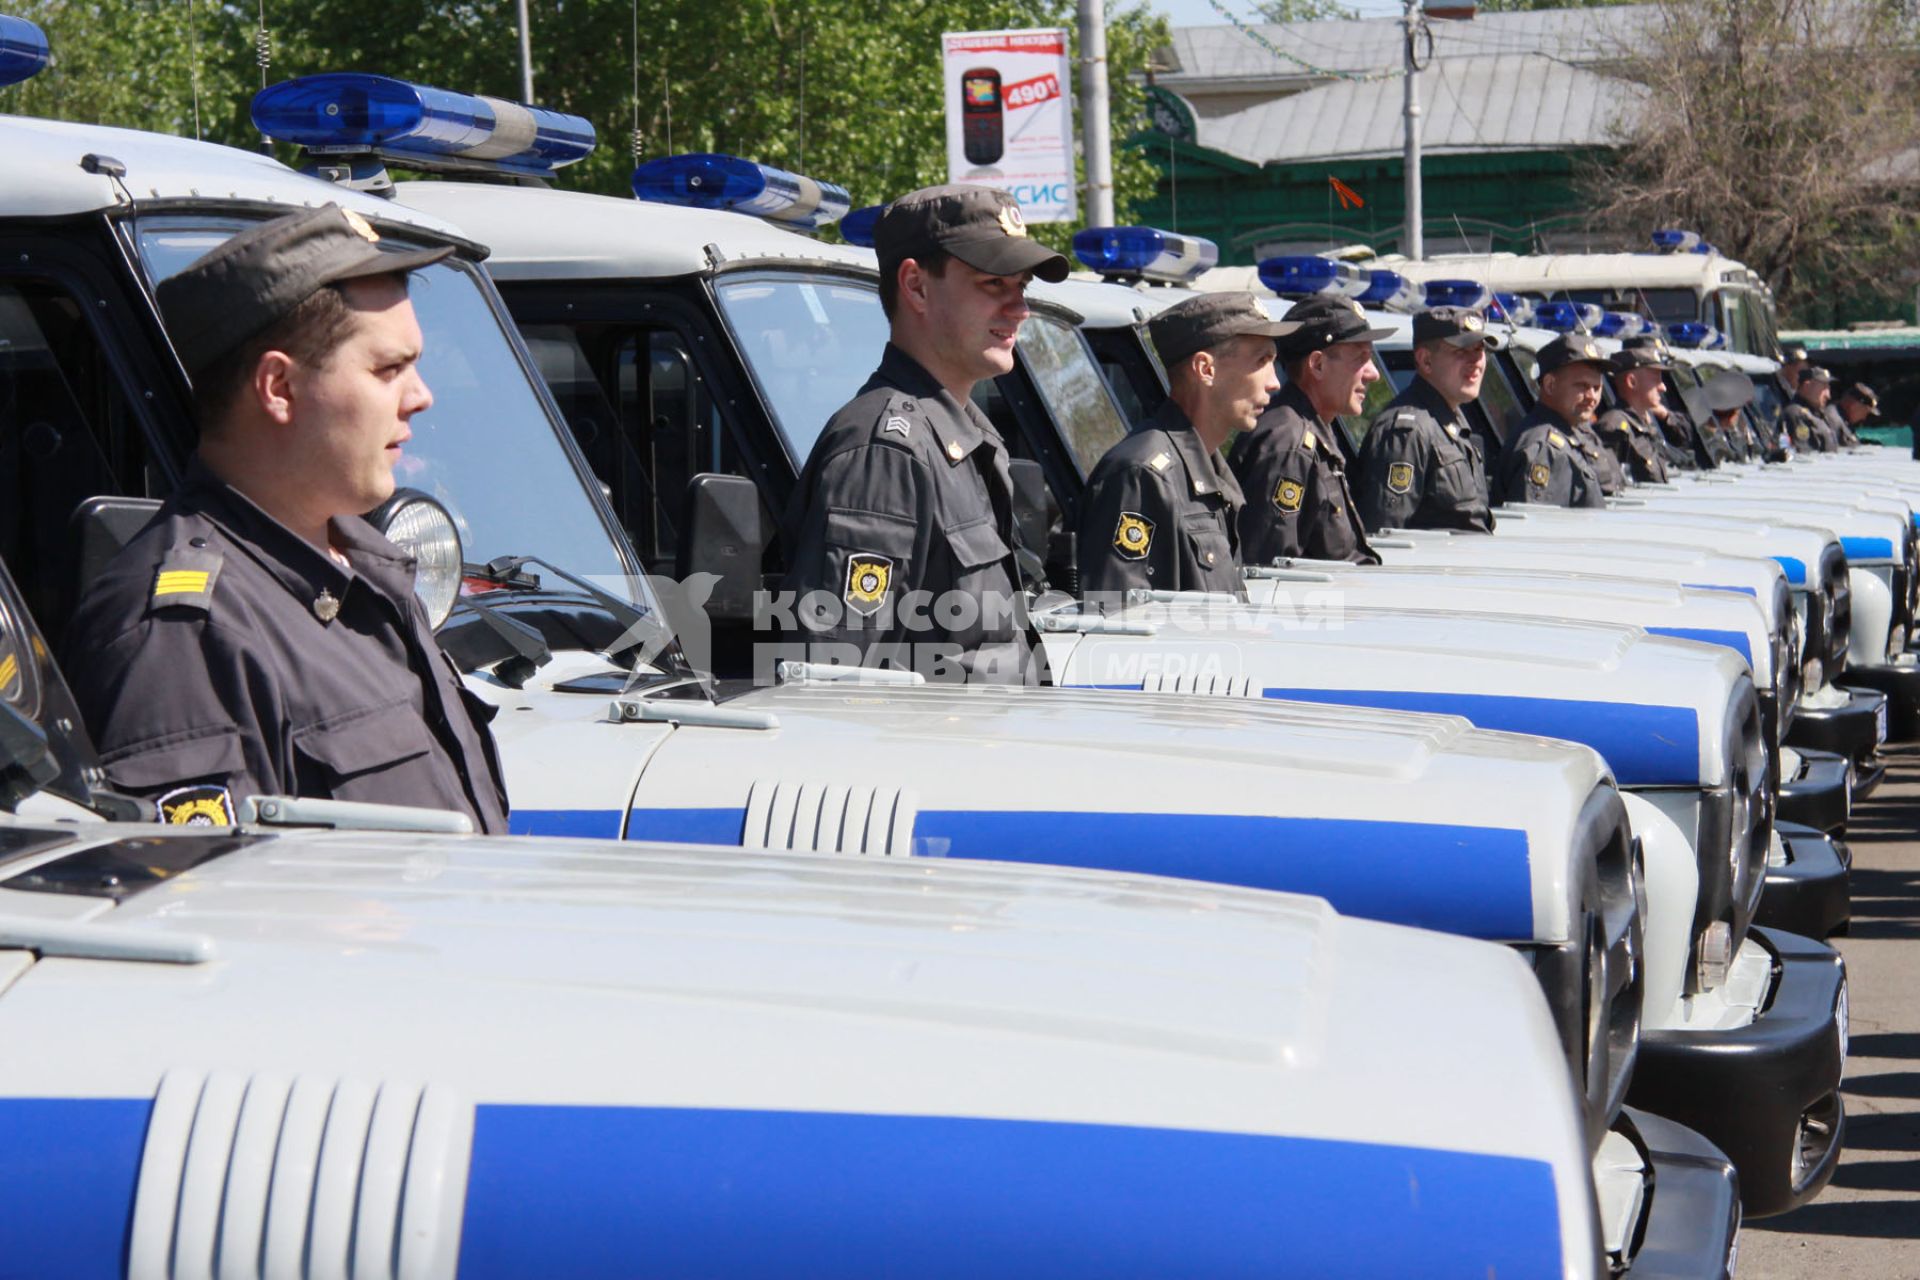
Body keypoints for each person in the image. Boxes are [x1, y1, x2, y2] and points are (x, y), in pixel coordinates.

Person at [61, 205, 508, 831]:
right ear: (278, 387)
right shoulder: (184, 639)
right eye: (388, 369)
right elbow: (214, 910)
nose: (421, 396)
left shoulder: (370, 570)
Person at [777, 184, 1068, 683]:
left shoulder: (967, 433)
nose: (1020, 309)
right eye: (994, 284)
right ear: (915, 286)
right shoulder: (885, 452)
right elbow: (833, 680)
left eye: (1022, 287)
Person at [1076, 293, 1295, 598]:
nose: (1274, 383)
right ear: (1206, 369)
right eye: (1262, 361)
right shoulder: (1142, 475)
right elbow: (1120, 620)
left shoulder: (1208, 467)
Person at [1228, 294, 1392, 565]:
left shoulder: (1310, 430)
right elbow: (1269, 572)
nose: (1373, 373)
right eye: (1361, 358)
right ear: (1317, 365)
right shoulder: (1289, 444)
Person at [1351, 306, 1498, 533]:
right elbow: (1387, 535)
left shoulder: (1451, 422)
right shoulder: (1407, 432)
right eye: (1461, 350)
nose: (1476, 361)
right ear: (1426, 360)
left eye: (1479, 349)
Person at [1495, 334, 1613, 507]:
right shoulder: (1544, 449)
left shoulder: (1571, 432)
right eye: (1581, 386)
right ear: (1550, 385)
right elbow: (1539, 527)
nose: (1592, 397)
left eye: (1596, 388)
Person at [1594, 334, 1676, 484]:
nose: (1663, 387)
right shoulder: (1614, 427)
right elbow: (1613, 490)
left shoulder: (1644, 423)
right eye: (1655, 379)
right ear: (1632, 381)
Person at [1783, 366, 1839, 453]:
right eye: (1824, 387)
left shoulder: (1818, 413)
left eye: (1828, 387)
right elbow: (1805, 455)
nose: (1828, 395)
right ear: (1806, 386)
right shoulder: (1797, 414)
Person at [1835, 382, 1879, 447]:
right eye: (1864, 412)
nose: (1864, 418)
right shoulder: (1834, 421)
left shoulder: (1844, 421)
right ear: (1854, 405)